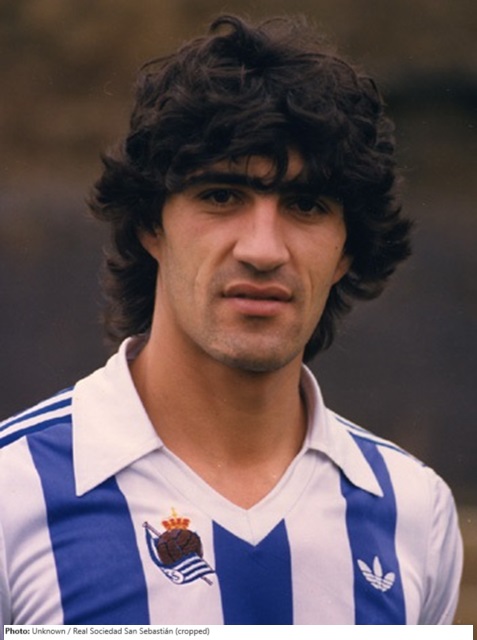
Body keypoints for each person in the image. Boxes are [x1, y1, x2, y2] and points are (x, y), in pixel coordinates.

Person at [0, 14, 462, 626]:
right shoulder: (13, 493)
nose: (263, 249)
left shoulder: (415, 514)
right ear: (151, 225)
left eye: (306, 205)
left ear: (347, 250)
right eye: (221, 196)